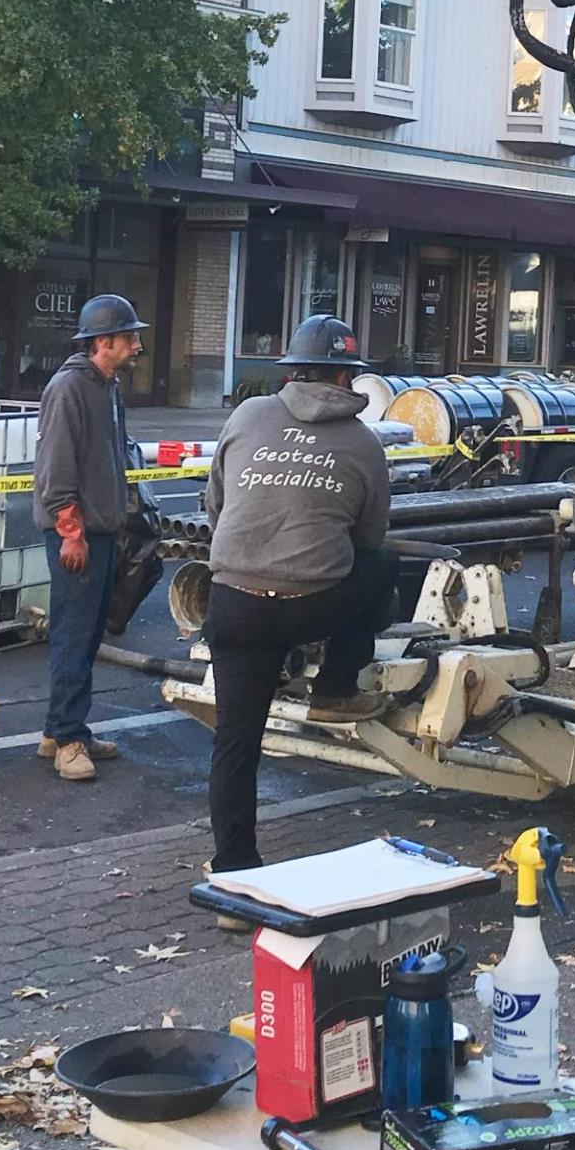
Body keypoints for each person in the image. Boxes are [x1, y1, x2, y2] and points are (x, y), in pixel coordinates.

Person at [202, 313, 395, 872]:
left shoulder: (246, 415)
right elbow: (369, 537)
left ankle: (235, 870)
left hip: (233, 602)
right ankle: (336, 684)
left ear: (290, 370)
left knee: (236, 743)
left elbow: (215, 508)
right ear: (344, 378)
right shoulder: (362, 443)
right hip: (313, 605)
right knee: (380, 567)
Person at [31, 292, 146, 782]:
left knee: (87, 633)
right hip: (79, 535)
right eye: (129, 336)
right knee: (73, 637)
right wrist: (71, 532)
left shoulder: (107, 386)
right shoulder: (69, 389)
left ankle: (62, 728)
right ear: (104, 341)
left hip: (101, 530)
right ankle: (69, 740)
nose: (137, 344)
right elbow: (56, 471)